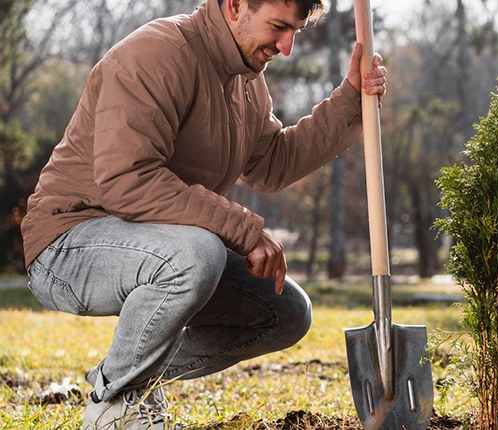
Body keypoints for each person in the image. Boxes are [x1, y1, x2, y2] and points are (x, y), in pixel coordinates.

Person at [21, 0, 387, 428]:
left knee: (284, 311)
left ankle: (129, 379)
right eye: (278, 27)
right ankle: (115, 404)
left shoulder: (245, 81)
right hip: (67, 244)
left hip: (155, 243)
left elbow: (273, 163)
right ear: (234, 5)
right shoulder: (157, 55)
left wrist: (349, 101)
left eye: (296, 32)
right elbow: (126, 179)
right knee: (199, 252)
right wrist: (243, 230)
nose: (287, 47)